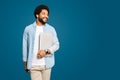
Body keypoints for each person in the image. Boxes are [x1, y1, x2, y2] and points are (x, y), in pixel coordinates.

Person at [22, 4, 60, 80]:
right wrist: (25, 62)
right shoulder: (28, 29)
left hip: (47, 64)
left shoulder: (51, 29)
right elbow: (25, 46)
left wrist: (46, 52)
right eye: (43, 13)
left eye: (47, 14)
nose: (46, 16)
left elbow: (57, 44)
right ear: (37, 15)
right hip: (33, 65)